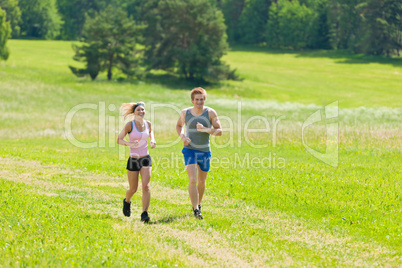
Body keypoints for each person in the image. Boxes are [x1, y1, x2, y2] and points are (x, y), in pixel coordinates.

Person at [176, 87, 222, 219]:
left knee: (201, 181)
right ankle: (196, 209)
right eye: (197, 99)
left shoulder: (210, 113)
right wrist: (183, 138)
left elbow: (220, 132)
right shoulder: (185, 113)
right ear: (192, 100)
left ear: (204, 100)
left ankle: (198, 204)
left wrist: (205, 129)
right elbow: (179, 126)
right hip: (189, 149)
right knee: (192, 179)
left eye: (201, 99)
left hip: (204, 151)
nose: (199, 102)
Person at [117, 102, 156, 223]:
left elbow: (150, 133)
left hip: (145, 158)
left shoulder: (148, 124)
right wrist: (130, 144)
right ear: (134, 112)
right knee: (133, 189)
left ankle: (144, 213)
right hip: (133, 159)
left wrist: (153, 140)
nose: (141, 112)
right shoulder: (130, 125)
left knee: (146, 186)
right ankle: (127, 201)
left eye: (143, 110)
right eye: (138, 110)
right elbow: (119, 140)